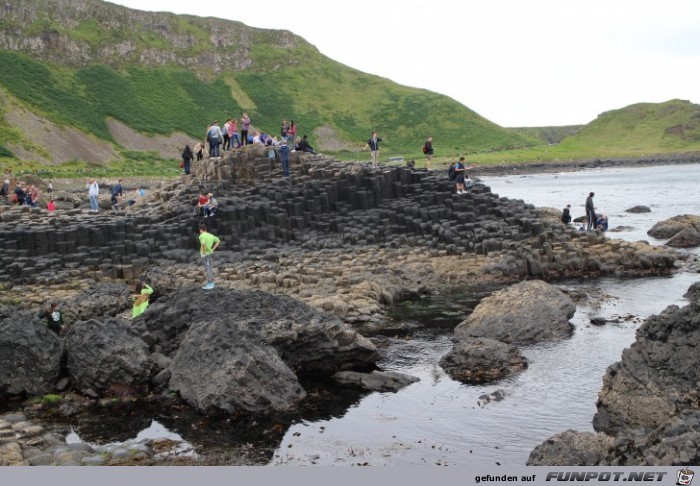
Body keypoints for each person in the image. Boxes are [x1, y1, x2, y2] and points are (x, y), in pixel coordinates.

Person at [198, 223, 221, 290]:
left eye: (200, 230)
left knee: (207, 268)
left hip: (205, 254)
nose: (200, 231)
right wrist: (213, 249)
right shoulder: (210, 235)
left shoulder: (201, 236)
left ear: (201, 230)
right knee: (210, 267)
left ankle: (210, 283)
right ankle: (212, 282)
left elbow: (203, 244)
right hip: (210, 253)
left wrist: (204, 252)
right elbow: (218, 241)